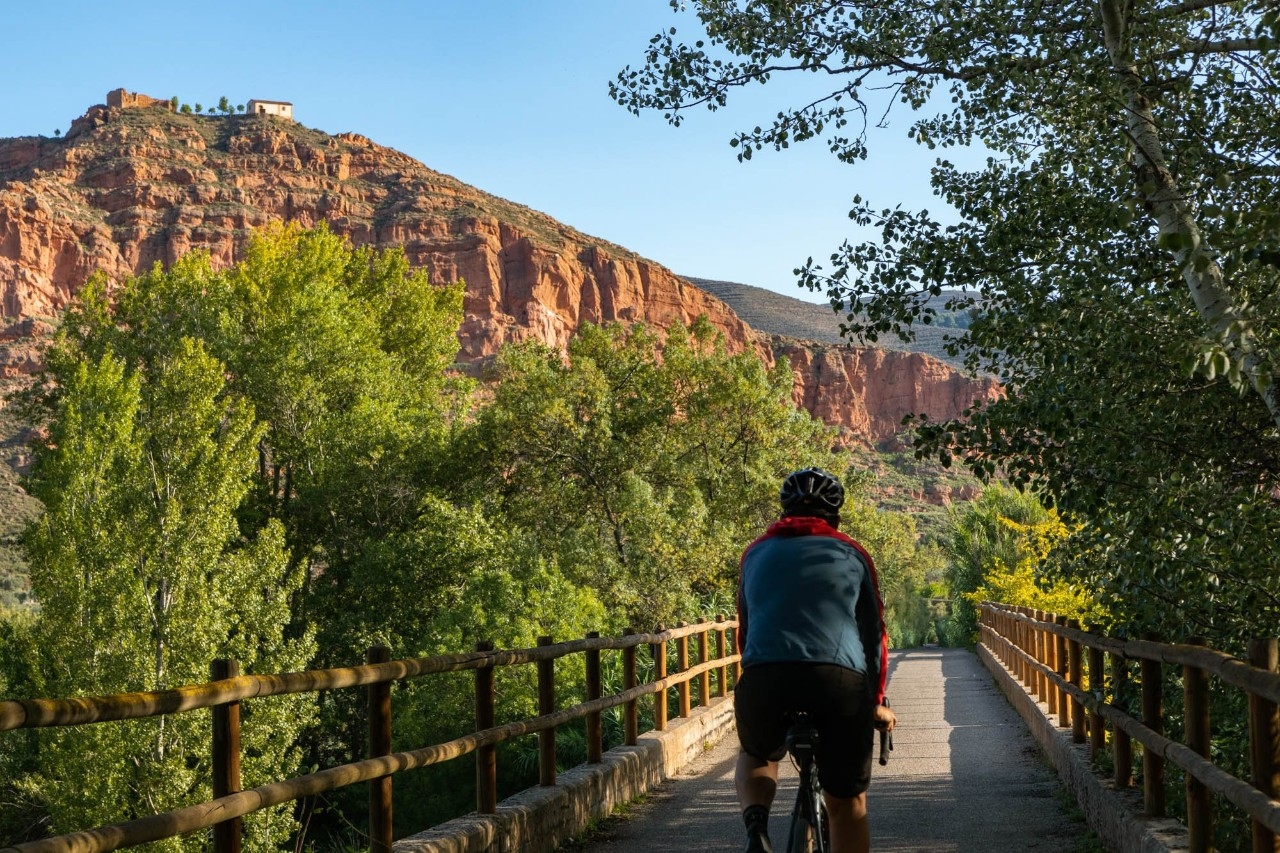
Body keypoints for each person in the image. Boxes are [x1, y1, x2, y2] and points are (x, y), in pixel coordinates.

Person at [734, 467, 896, 853]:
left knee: (756, 752)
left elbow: (746, 626)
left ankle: (756, 825)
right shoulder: (854, 554)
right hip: (837, 682)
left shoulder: (754, 553)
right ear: (835, 517)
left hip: (764, 677)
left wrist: (757, 674)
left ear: (783, 512)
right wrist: (876, 702)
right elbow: (874, 637)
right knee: (848, 803)